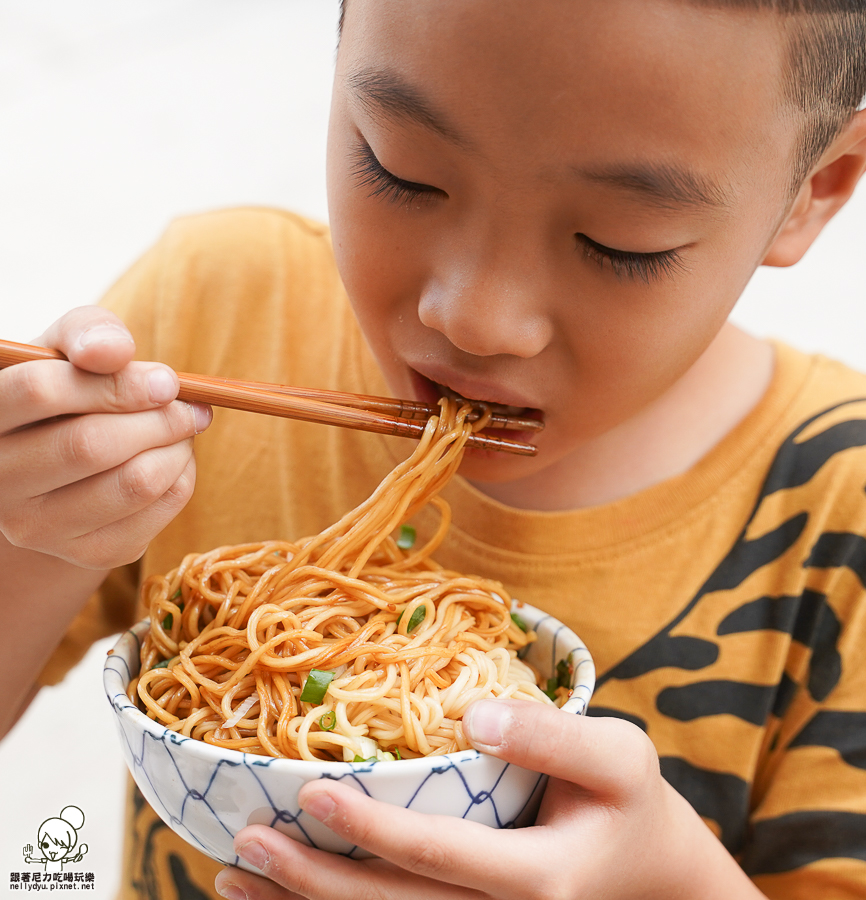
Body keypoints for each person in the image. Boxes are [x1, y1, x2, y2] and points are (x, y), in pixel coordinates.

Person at [2, 0, 866, 897]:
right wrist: (30, 536)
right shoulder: (210, 323)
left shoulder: (840, 506)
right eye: (402, 171)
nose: (474, 316)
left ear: (817, 188)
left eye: (620, 243)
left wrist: (671, 884)